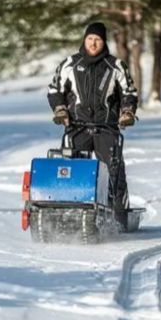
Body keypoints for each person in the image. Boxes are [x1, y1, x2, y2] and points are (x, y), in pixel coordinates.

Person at [47, 22, 138, 228]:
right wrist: (60, 109)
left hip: (106, 127)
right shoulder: (70, 64)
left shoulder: (116, 66)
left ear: (104, 42)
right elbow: (54, 90)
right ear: (84, 40)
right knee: (70, 172)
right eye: (90, 39)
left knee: (114, 172)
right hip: (77, 127)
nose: (93, 43)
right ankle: (68, 220)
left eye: (97, 39)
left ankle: (119, 220)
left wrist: (127, 112)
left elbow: (129, 93)